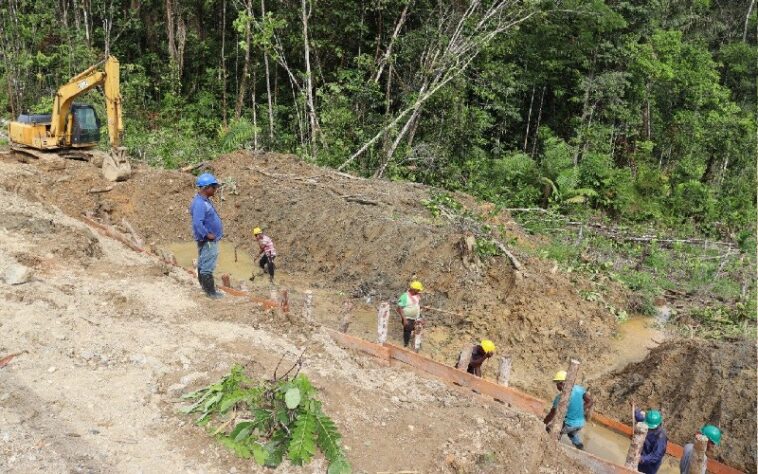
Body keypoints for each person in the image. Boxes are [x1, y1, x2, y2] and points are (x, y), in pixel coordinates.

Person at [190, 172, 224, 298]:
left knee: (203, 263)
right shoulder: (199, 203)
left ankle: (205, 288)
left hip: (208, 239)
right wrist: (207, 235)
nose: (215, 189)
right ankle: (211, 293)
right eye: (214, 187)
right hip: (208, 241)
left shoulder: (203, 201)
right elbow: (197, 223)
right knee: (207, 267)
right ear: (207, 187)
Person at [543, 370, 593, 450]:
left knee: (552, 429)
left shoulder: (560, 398)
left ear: (562, 383)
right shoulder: (579, 389)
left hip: (570, 424)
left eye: (557, 384)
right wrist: (580, 410)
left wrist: (544, 423)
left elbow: (552, 414)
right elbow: (590, 401)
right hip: (580, 423)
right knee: (572, 434)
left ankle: (552, 448)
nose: (557, 386)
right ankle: (581, 448)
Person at [633, 408, 668, 474]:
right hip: (641, 456)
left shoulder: (661, 436)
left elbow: (656, 455)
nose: (648, 427)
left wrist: (643, 459)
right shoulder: (647, 422)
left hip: (650, 465)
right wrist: (636, 410)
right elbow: (640, 418)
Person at [395, 280, 423, 348]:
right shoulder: (404, 296)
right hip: (407, 318)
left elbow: (416, 306)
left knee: (417, 329)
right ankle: (406, 344)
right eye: (418, 290)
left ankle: (415, 344)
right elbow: (400, 308)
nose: (419, 291)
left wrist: (423, 309)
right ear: (414, 289)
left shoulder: (417, 296)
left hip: (415, 318)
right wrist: (404, 319)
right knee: (408, 329)